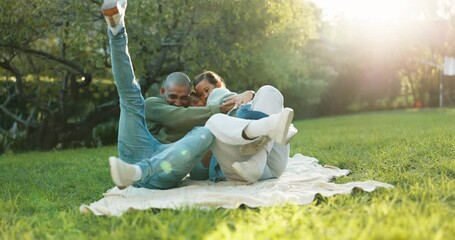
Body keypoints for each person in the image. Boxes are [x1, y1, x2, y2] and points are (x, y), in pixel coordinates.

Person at [101, 0, 214, 190]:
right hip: (137, 149)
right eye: (172, 96)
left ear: (190, 96)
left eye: (183, 98)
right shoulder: (153, 104)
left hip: (163, 172)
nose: (177, 103)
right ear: (163, 92)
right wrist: (219, 110)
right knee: (131, 96)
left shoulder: (192, 119)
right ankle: (117, 30)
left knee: (206, 132)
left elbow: (199, 173)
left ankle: (137, 172)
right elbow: (177, 117)